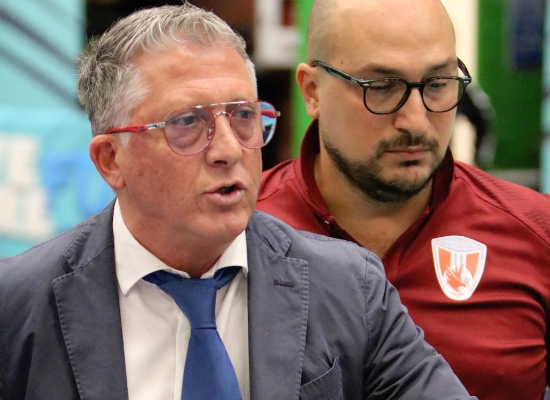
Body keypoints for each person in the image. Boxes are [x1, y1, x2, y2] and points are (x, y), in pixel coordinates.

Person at [0, 4, 477, 400]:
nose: (229, 150)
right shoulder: (18, 306)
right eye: (187, 122)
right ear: (111, 161)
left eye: (244, 116)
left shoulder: (350, 289)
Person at [256, 0, 550, 399]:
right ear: (313, 91)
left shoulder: (534, 234)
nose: (415, 121)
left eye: (438, 84)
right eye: (381, 87)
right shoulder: (241, 233)